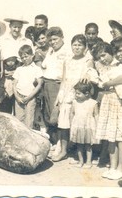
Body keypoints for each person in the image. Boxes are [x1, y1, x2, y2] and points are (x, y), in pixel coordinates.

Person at [52, 34, 98, 162]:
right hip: (66, 94)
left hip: (79, 97)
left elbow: (90, 75)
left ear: (85, 47)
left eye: (79, 45)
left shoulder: (88, 60)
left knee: (79, 124)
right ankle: (63, 150)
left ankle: (81, 155)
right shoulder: (68, 60)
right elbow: (63, 79)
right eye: (74, 45)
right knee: (63, 124)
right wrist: (59, 96)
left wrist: (88, 75)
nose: (76, 47)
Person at [96, 39, 122, 180]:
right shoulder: (108, 68)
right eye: (100, 56)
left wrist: (107, 83)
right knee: (111, 135)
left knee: (120, 137)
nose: (102, 59)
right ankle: (113, 167)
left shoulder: (118, 67)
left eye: (104, 55)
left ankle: (120, 168)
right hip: (109, 102)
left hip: (119, 103)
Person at [41, 27, 70, 147]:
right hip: (46, 83)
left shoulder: (67, 51)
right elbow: (44, 65)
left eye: (55, 39)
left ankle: (61, 144)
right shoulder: (50, 51)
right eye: (50, 40)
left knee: (56, 115)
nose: (52, 42)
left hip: (57, 84)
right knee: (48, 114)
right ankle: (54, 141)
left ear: (62, 37)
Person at [0, 17, 32, 113]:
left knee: (19, 109)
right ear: (10, 26)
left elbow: (29, 61)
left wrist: (16, 72)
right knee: (4, 108)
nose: (16, 30)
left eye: (19, 27)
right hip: (5, 76)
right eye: (14, 27)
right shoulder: (1, 40)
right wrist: (2, 71)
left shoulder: (27, 41)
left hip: (21, 77)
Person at [70, 82, 99, 169]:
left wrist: (97, 126)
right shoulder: (74, 102)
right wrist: (72, 124)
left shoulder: (93, 103)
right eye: (76, 93)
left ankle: (88, 162)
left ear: (86, 93)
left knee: (88, 145)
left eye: (78, 93)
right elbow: (72, 113)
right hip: (78, 126)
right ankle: (80, 161)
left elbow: (96, 115)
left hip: (88, 127)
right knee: (79, 145)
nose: (76, 95)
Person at [13, 44, 43, 128]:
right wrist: (17, 97)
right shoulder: (19, 69)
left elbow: (39, 84)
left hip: (30, 97)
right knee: (19, 120)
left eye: (26, 56)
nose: (24, 59)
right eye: (22, 58)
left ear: (32, 56)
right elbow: (14, 84)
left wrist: (29, 97)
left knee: (29, 120)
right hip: (19, 97)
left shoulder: (37, 69)